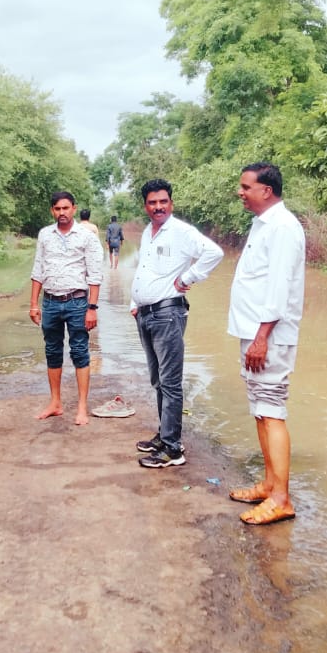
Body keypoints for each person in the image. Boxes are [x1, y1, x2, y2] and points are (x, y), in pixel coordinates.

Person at [227, 162, 306, 526]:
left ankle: (281, 498)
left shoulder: (284, 228)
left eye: (246, 187)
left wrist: (262, 337)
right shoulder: (263, 225)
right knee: (260, 408)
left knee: (272, 411)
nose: (241, 192)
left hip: (269, 337)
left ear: (267, 191)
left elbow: (279, 288)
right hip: (255, 333)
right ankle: (270, 484)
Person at [131, 179, 223, 468]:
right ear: (145, 205)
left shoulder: (182, 231)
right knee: (158, 380)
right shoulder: (149, 232)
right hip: (147, 313)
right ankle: (165, 435)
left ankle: (173, 449)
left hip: (168, 314)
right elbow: (146, 268)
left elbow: (214, 253)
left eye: (163, 202)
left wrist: (187, 278)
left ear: (171, 203)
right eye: (152, 202)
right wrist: (136, 302)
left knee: (170, 383)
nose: (158, 207)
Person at [30, 192, 103, 426]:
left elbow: (95, 274)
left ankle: (82, 407)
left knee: (80, 351)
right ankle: (55, 402)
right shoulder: (45, 235)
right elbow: (38, 269)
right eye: (57, 209)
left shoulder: (86, 236)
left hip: (77, 301)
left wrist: (92, 308)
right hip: (50, 301)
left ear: (74, 208)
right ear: (52, 211)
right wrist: (34, 304)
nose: (62, 212)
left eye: (66, 208)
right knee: (52, 351)